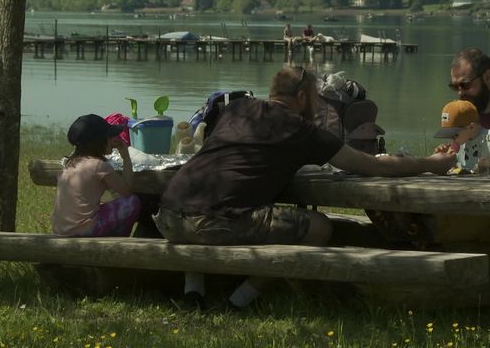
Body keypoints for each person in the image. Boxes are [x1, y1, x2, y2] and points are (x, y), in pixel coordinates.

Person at [154, 66, 456, 309]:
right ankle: (241, 299)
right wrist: (430, 162)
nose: (318, 107)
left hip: (168, 213)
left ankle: (194, 291)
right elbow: (374, 166)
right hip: (212, 223)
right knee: (319, 227)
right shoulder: (302, 130)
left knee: (204, 208)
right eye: (315, 99)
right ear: (301, 97)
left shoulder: (238, 109)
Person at [51, 114, 140, 237]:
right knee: (132, 202)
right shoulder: (99, 166)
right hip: (82, 231)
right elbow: (126, 191)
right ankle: (119, 242)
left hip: (61, 230)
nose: (112, 140)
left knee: (103, 205)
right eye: (109, 137)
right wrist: (126, 157)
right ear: (99, 142)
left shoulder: (69, 164)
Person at [434, 100, 490, 175]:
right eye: (449, 135)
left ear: (471, 127)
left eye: (455, 135)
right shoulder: (461, 141)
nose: (452, 140)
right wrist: (444, 159)